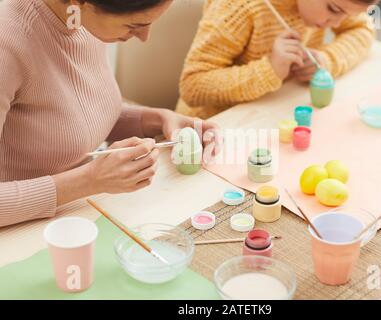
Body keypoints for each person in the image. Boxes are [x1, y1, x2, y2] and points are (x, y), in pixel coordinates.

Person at [0, 0, 219, 227]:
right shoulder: (8, 41)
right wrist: (88, 181)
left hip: (83, 207)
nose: (144, 37)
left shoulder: (82, 19)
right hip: (22, 231)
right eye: (134, 25)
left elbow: (69, 115)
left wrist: (157, 120)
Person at [176, 0, 378, 119]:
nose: (336, 23)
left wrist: (327, 59)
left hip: (276, 114)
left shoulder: (341, 4)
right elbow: (192, 86)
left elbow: (362, 28)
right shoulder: (239, 6)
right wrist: (269, 70)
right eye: (333, 10)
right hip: (212, 128)